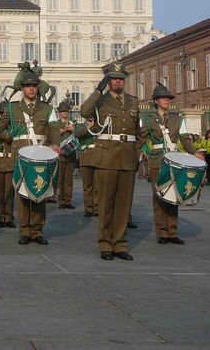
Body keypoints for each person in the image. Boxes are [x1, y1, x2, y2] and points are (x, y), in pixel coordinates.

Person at [0, 71, 60, 245]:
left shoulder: (47, 108)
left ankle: (38, 230)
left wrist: (56, 143)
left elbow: (54, 127)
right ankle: (25, 230)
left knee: (39, 193)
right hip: (21, 155)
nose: (31, 89)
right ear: (23, 88)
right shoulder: (13, 108)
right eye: (28, 86)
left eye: (34, 86)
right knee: (23, 193)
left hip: (40, 154)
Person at [80, 62, 140, 261]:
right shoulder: (100, 101)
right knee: (106, 203)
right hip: (106, 158)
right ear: (108, 81)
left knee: (124, 205)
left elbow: (137, 133)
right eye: (114, 79)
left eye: (121, 79)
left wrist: (136, 153)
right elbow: (84, 111)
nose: (118, 82)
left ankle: (120, 244)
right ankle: (105, 243)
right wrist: (99, 89)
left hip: (127, 158)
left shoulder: (133, 102)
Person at [141, 83, 203, 245]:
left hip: (174, 160)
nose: (167, 100)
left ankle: (172, 232)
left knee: (174, 196)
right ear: (156, 101)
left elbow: (185, 138)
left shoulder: (177, 118)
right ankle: (161, 232)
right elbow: (140, 139)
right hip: (156, 160)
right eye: (163, 98)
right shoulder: (147, 119)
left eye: (168, 98)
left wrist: (194, 153)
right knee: (159, 196)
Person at [53, 101, 78, 209]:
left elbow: (79, 135)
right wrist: (59, 132)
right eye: (62, 111)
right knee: (61, 179)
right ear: (59, 112)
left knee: (69, 180)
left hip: (71, 154)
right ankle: (61, 200)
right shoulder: (56, 124)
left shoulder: (72, 123)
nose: (64, 113)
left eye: (66, 111)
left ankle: (68, 200)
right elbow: (51, 137)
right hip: (61, 154)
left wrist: (74, 129)